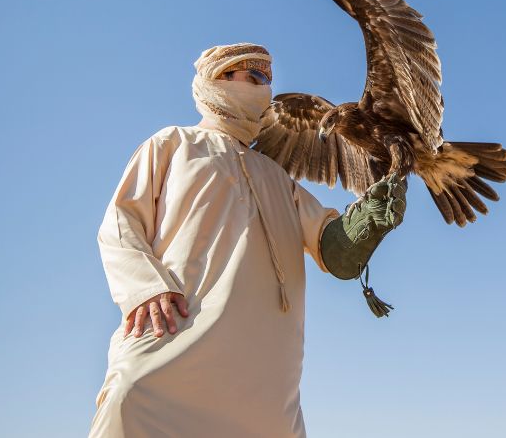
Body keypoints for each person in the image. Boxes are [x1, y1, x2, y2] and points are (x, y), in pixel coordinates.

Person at [88, 43, 406, 438]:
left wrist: (369, 221)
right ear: (217, 79)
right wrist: (145, 288)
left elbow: (333, 248)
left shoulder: (278, 178)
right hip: (179, 333)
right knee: (130, 399)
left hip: (266, 371)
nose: (264, 89)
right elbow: (121, 222)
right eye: (253, 78)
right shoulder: (172, 143)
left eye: (268, 81)